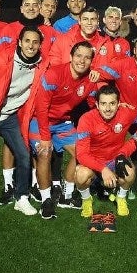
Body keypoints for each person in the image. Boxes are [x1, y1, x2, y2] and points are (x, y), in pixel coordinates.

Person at [0, 27, 47, 221]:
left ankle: (21, 197)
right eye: (27, 41)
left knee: (23, 155)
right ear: (19, 42)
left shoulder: (42, 65)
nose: (30, 45)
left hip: (10, 117)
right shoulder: (0, 59)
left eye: (35, 42)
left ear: (40, 45)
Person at [28, 41, 99, 219]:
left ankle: (66, 196)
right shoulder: (54, 74)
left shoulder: (90, 81)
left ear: (91, 61)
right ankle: (46, 200)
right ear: (70, 57)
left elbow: (91, 107)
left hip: (63, 123)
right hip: (40, 120)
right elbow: (41, 107)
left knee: (82, 152)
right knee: (45, 153)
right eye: (78, 56)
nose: (82, 60)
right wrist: (45, 137)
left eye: (87, 57)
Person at [74, 85, 137, 218]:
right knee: (81, 175)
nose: (108, 108)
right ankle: (86, 199)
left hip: (115, 159)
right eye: (103, 104)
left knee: (130, 173)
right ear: (97, 105)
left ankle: (120, 197)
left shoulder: (126, 112)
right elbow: (81, 155)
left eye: (112, 103)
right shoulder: (86, 120)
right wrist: (103, 169)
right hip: (94, 163)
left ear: (118, 104)